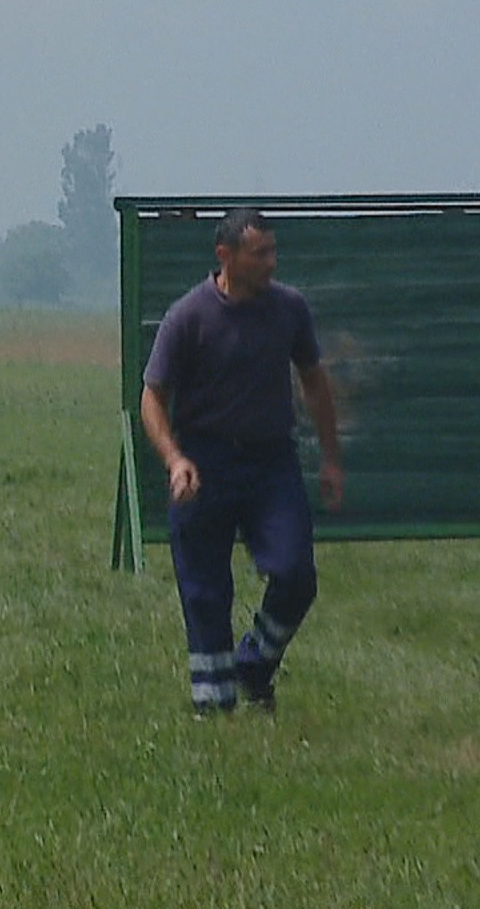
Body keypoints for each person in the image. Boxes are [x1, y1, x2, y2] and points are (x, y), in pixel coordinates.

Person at [140, 208, 344, 715]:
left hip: (271, 462)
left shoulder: (290, 309)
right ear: (225, 256)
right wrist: (175, 459)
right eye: (261, 254)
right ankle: (214, 706)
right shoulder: (188, 316)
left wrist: (332, 459)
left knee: (297, 573)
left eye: (273, 251)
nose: (272, 263)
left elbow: (315, 383)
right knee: (205, 590)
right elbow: (152, 396)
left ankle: (254, 663)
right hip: (205, 462)